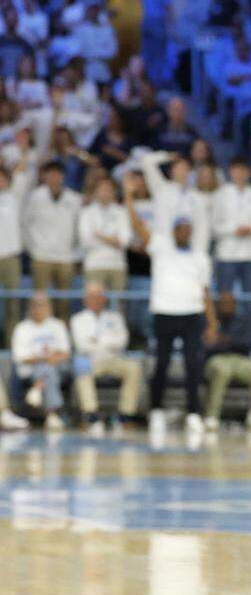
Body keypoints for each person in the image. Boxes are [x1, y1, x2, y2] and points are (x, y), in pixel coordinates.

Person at [125, 183, 213, 435]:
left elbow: (206, 291)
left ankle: (194, 413)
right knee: (161, 364)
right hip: (164, 313)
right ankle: (156, 411)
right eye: (179, 228)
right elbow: (138, 227)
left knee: (192, 365)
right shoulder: (161, 247)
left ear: (191, 232)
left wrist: (213, 322)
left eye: (187, 229)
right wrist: (130, 198)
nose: (183, 232)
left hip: (192, 315)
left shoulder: (200, 257)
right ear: (174, 231)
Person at [70, 281, 143, 433]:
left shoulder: (115, 317)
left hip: (114, 359)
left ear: (104, 299)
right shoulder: (78, 319)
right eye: (92, 297)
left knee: (134, 368)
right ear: (86, 300)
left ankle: (125, 416)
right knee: (81, 368)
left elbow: (122, 341)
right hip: (91, 360)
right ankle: (92, 416)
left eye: (99, 297)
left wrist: (97, 341)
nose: (96, 300)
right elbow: (81, 345)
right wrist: (108, 341)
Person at [23, 160, 81, 320]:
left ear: (63, 176)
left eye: (58, 173)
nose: (54, 177)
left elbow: (78, 228)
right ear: (44, 176)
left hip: (65, 257)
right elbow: (25, 225)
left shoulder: (74, 199)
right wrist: (33, 249)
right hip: (41, 256)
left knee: (64, 303)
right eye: (50, 173)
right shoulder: (35, 197)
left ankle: (61, 338)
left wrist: (74, 252)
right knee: (40, 301)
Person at [203, 290, 251, 432]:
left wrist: (221, 341)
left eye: (229, 303)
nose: (226, 305)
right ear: (218, 305)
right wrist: (228, 342)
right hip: (217, 359)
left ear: (235, 304)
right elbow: (207, 346)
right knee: (222, 370)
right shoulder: (211, 321)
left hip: (239, 359)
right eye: (223, 303)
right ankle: (212, 416)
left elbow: (246, 344)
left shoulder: (242, 320)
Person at [212, 157, 251, 295]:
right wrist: (234, 230)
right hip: (227, 254)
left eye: (243, 170)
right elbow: (214, 226)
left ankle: (248, 317)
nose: (239, 174)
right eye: (236, 170)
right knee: (224, 297)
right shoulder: (220, 194)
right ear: (230, 171)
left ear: (249, 172)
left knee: (250, 298)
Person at [11, 291, 71, 431]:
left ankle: (38, 388)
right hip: (30, 370)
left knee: (49, 367)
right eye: (35, 305)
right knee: (46, 369)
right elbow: (21, 357)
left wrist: (47, 359)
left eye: (42, 305)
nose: (38, 309)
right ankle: (52, 414)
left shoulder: (57, 325)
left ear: (49, 308)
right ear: (30, 308)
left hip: (58, 367)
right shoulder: (22, 328)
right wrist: (46, 358)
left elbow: (65, 353)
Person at [0, 159, 34, 346]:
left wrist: (23, 150)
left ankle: (12, 344)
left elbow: (22, 172)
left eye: (2, 178)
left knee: (13, 304)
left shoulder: (14, 198)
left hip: (11, 258)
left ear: (8, 180)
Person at [78, 174, 131, 293]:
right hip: (94, 265)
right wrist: (113, 240)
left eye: (108, 189)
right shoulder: (86, 213)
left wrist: (99, 235)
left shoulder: (122, 212)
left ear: (114, 191)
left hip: (117, 266)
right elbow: (85, 241)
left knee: (118, 307)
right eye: (101, 189)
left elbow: (125, 241)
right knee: (93, 306)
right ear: (96, 191)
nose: (105, 192)